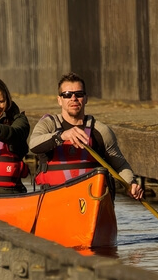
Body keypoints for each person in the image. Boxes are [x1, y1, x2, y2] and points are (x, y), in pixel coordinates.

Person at [29, 72, 144, 200]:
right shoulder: (48, 125)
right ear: (59, 100)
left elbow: (120, 165)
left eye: (78, 94)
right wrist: (61, 136)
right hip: (54, 200)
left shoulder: (101, 131)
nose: (73, 98)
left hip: (91, 199)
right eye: (67, 95)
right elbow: (33, 145)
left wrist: (131, 183)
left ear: (86, 98)